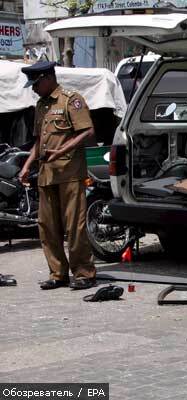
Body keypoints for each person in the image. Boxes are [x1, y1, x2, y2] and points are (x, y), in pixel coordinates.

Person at [19, 61, 97, 290]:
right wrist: (27, 165)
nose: (33, 88)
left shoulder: (71, 99)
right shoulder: (41, 105)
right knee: (47, 227)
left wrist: (61, 151)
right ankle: (58, 274)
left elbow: (88, 131)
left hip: (69, 173)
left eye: (36, 83)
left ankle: (84, 273)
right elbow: (39, 141)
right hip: (46, 174)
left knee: (74, 226)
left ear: (48, 78)